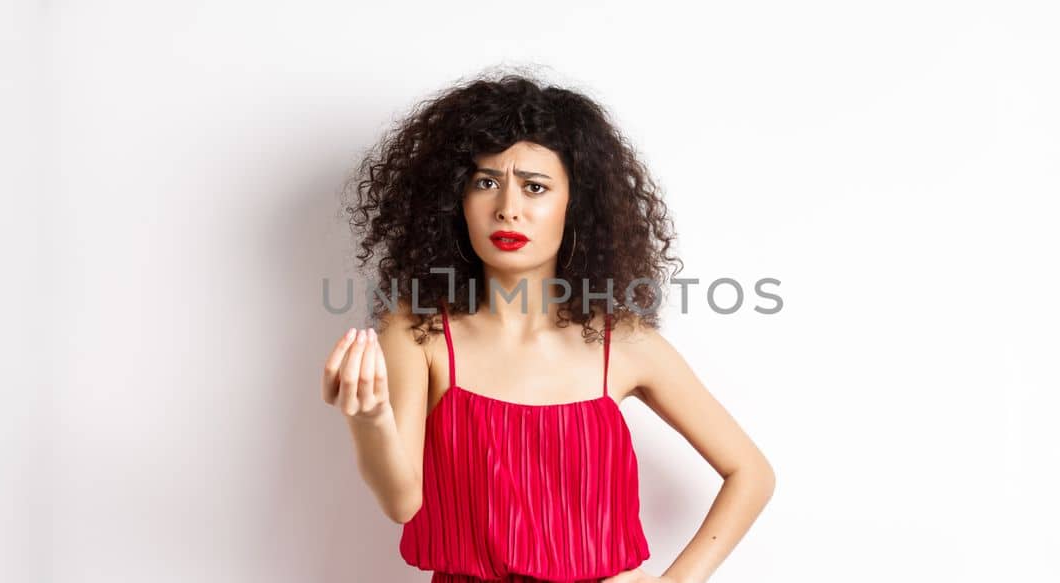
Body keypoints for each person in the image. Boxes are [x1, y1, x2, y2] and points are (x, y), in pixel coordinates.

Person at [321, 71, 774, 583]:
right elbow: (403, 503)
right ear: (456, 200)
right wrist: (370, 419)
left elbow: (750, 473)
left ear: (573, 205)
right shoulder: (417, 331)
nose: (507, 209)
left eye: (534, 187)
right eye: (485, 182)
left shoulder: (624, 345)